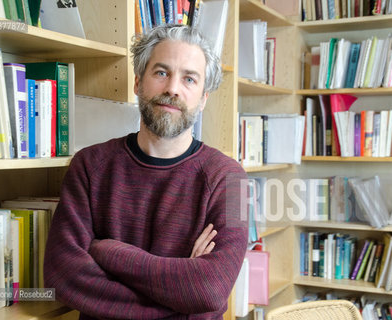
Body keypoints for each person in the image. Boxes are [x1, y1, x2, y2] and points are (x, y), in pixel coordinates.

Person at [44, 24, 248, 319]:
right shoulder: (89, 166)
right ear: (138, 83)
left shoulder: (230, 179)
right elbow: (62, 275)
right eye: (161, 72)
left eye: (189, 79)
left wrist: (109, 253)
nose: (172, 89)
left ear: (203, 99)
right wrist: (181, 292)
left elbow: (210, 289)